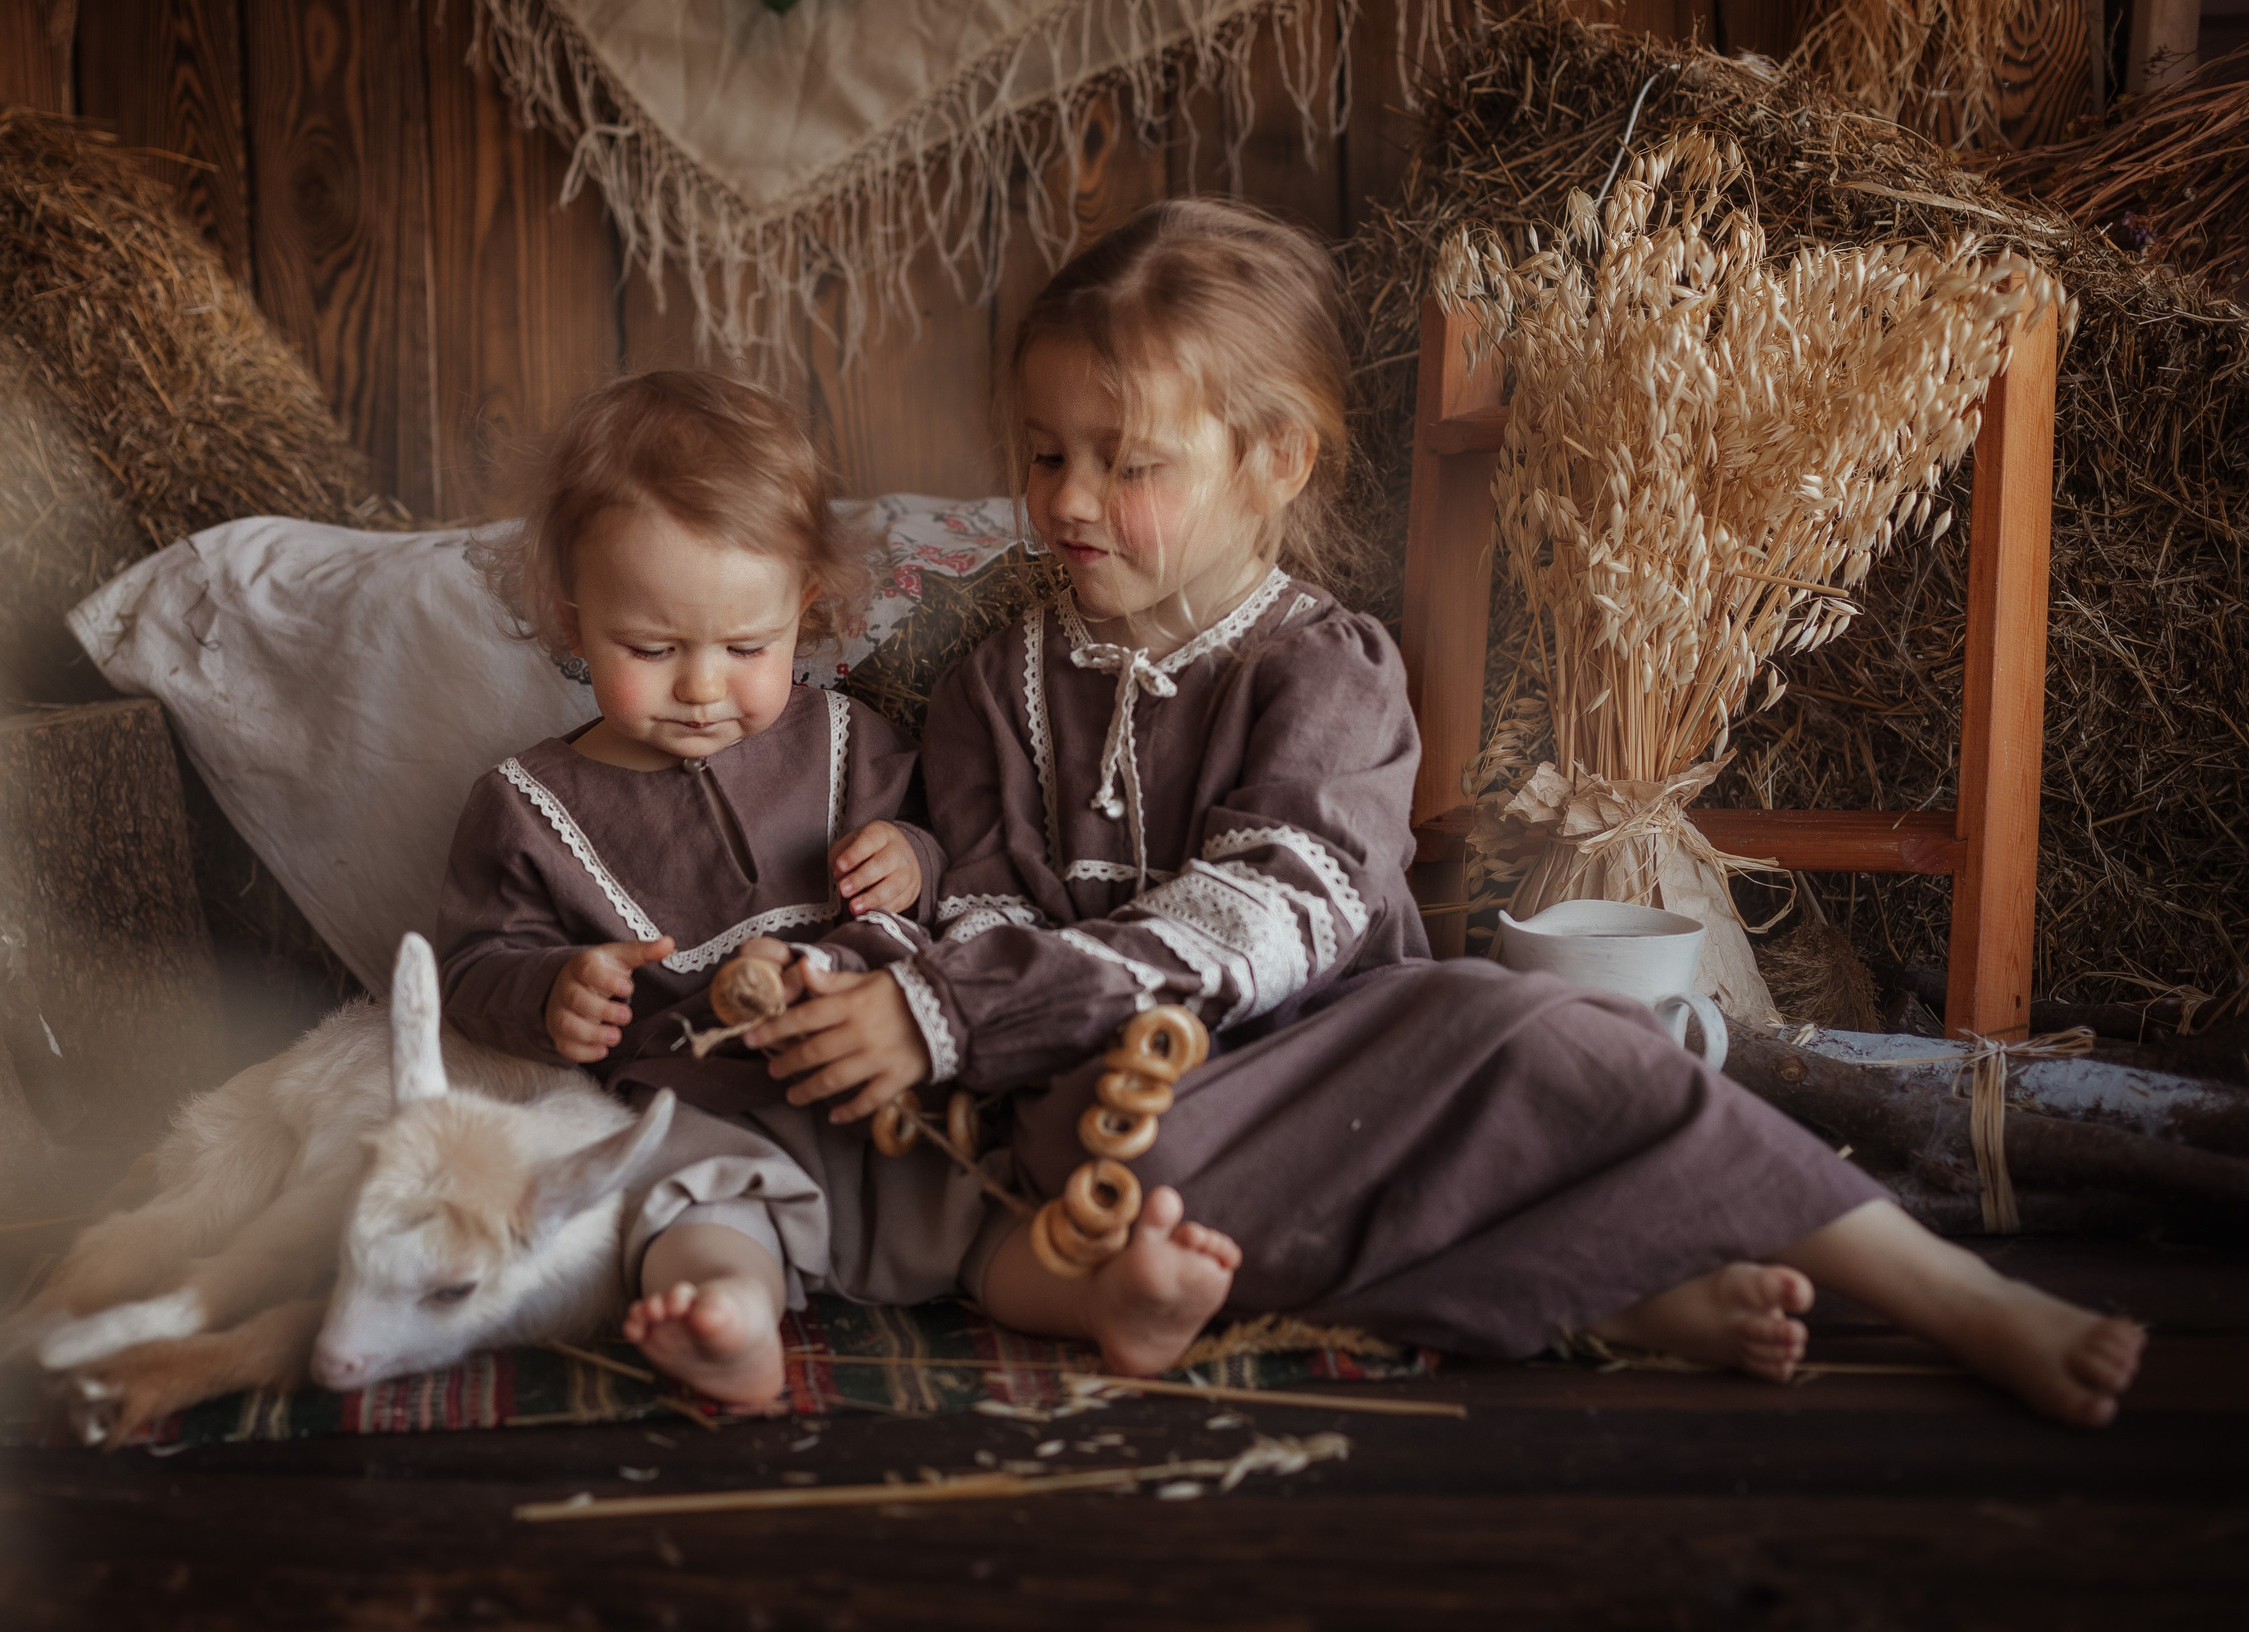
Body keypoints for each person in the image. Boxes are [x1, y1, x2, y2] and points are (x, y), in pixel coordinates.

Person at [737, 199, 2148, 1425]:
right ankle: (1602, 1293)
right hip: (1124, 1097)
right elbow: (986, 898)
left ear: (1276, 460)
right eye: (1045, 455)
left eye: (1129, 461)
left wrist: (953, 1012)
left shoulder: (1325, 663)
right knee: (1129, 1171)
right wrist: (892, 991)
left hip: (1341, 1040)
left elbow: (1284, 909)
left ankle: (1950, 1291)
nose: (1071, 498)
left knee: (1549, 1028)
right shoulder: (998, 683)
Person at [434, 369, 1000, 1404]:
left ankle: (1098, 1290)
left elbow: (967, 868)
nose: (701, 688)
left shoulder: (849, 741)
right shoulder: (522, 806)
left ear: (806, 609)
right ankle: (728, 1317)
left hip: (874, 1064)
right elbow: (473, 965)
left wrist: (913, 857)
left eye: (748, 647)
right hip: (700, 1098)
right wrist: (553, 989)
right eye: (650, 648)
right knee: (688, 1209)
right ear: (571, 619)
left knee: (984, 1194)